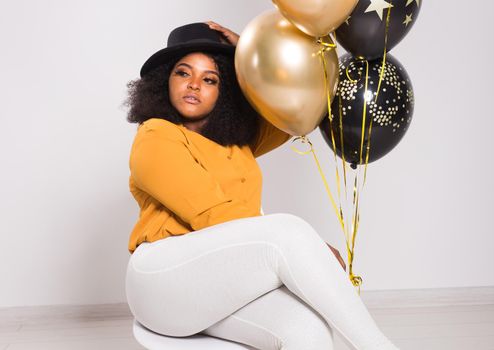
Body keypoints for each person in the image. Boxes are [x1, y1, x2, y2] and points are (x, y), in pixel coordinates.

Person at [124, 21, 399, 350]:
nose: (194, 85)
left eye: (210, 79)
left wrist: (247, 56)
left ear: (224, 90)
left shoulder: (236, 144)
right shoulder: (155, 135)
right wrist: (307, 246)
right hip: (160, 281)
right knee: (287, 231)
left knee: (309, 332)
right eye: (183, 73)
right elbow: (212, 214)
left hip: (217, 282)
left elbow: (295, 111)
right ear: (164, 81)